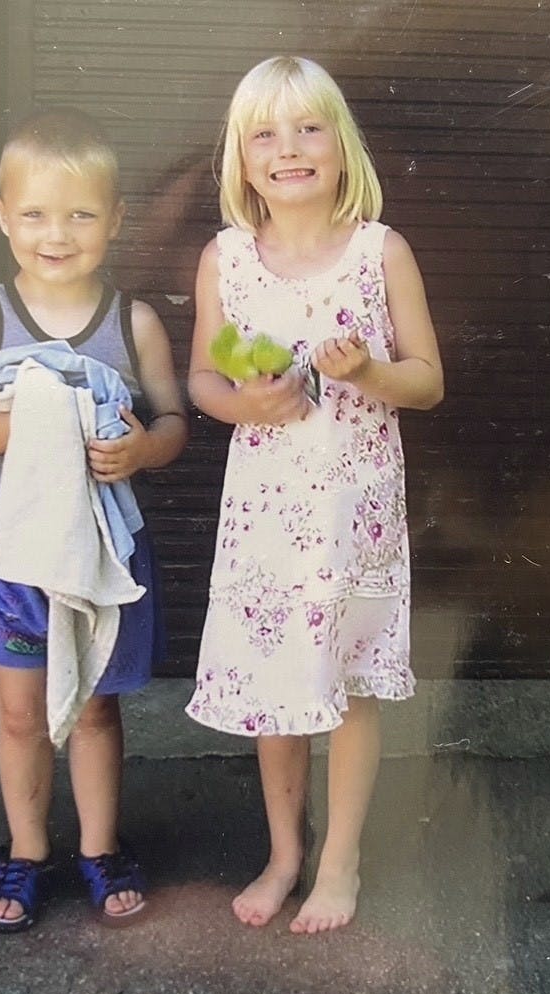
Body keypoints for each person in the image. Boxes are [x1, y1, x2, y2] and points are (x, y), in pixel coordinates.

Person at [186, 56, 443, 935]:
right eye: (265, 133)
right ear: (242, 156)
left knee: (350, 686)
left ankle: (341, 861)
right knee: (274, 682)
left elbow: (428, 381)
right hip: (265, 511)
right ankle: (284, 851)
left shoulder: (381, 251)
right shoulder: (226, 261)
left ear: (340, 146)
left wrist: (368, 369)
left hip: (355, 513)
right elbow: (201, 379)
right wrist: (244, 400)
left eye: (308, 128)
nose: (287, 149)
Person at [0, 107, 187, 931]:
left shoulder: (131, 322)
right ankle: (27, 848)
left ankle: (100, 848)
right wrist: (28, 426)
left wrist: (140, 451)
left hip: (102, 557)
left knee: (98, 706)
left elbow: (174, 425)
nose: (56, 233)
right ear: (3, 217)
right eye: (34, 213)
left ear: (114, 219)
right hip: (9, 558)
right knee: (19, 713)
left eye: (79, 214)